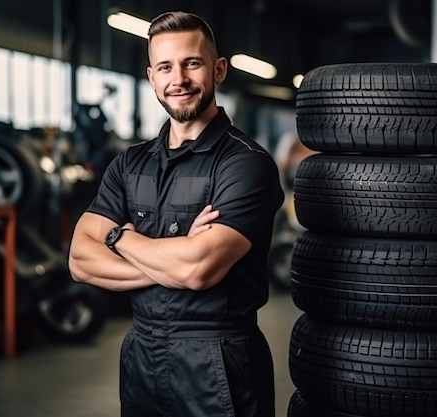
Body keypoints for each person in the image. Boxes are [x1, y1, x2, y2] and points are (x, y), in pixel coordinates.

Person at [68, 10, 284, 417]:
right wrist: (177, 251)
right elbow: (80, 260)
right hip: (141, 356)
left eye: (192, 63)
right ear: (152, 77)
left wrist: (120, 238)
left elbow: (196, 270)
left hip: (219, 363)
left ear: (218, 70)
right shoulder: (129, 165)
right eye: (165, 66)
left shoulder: (246, 165)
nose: (178, 79)